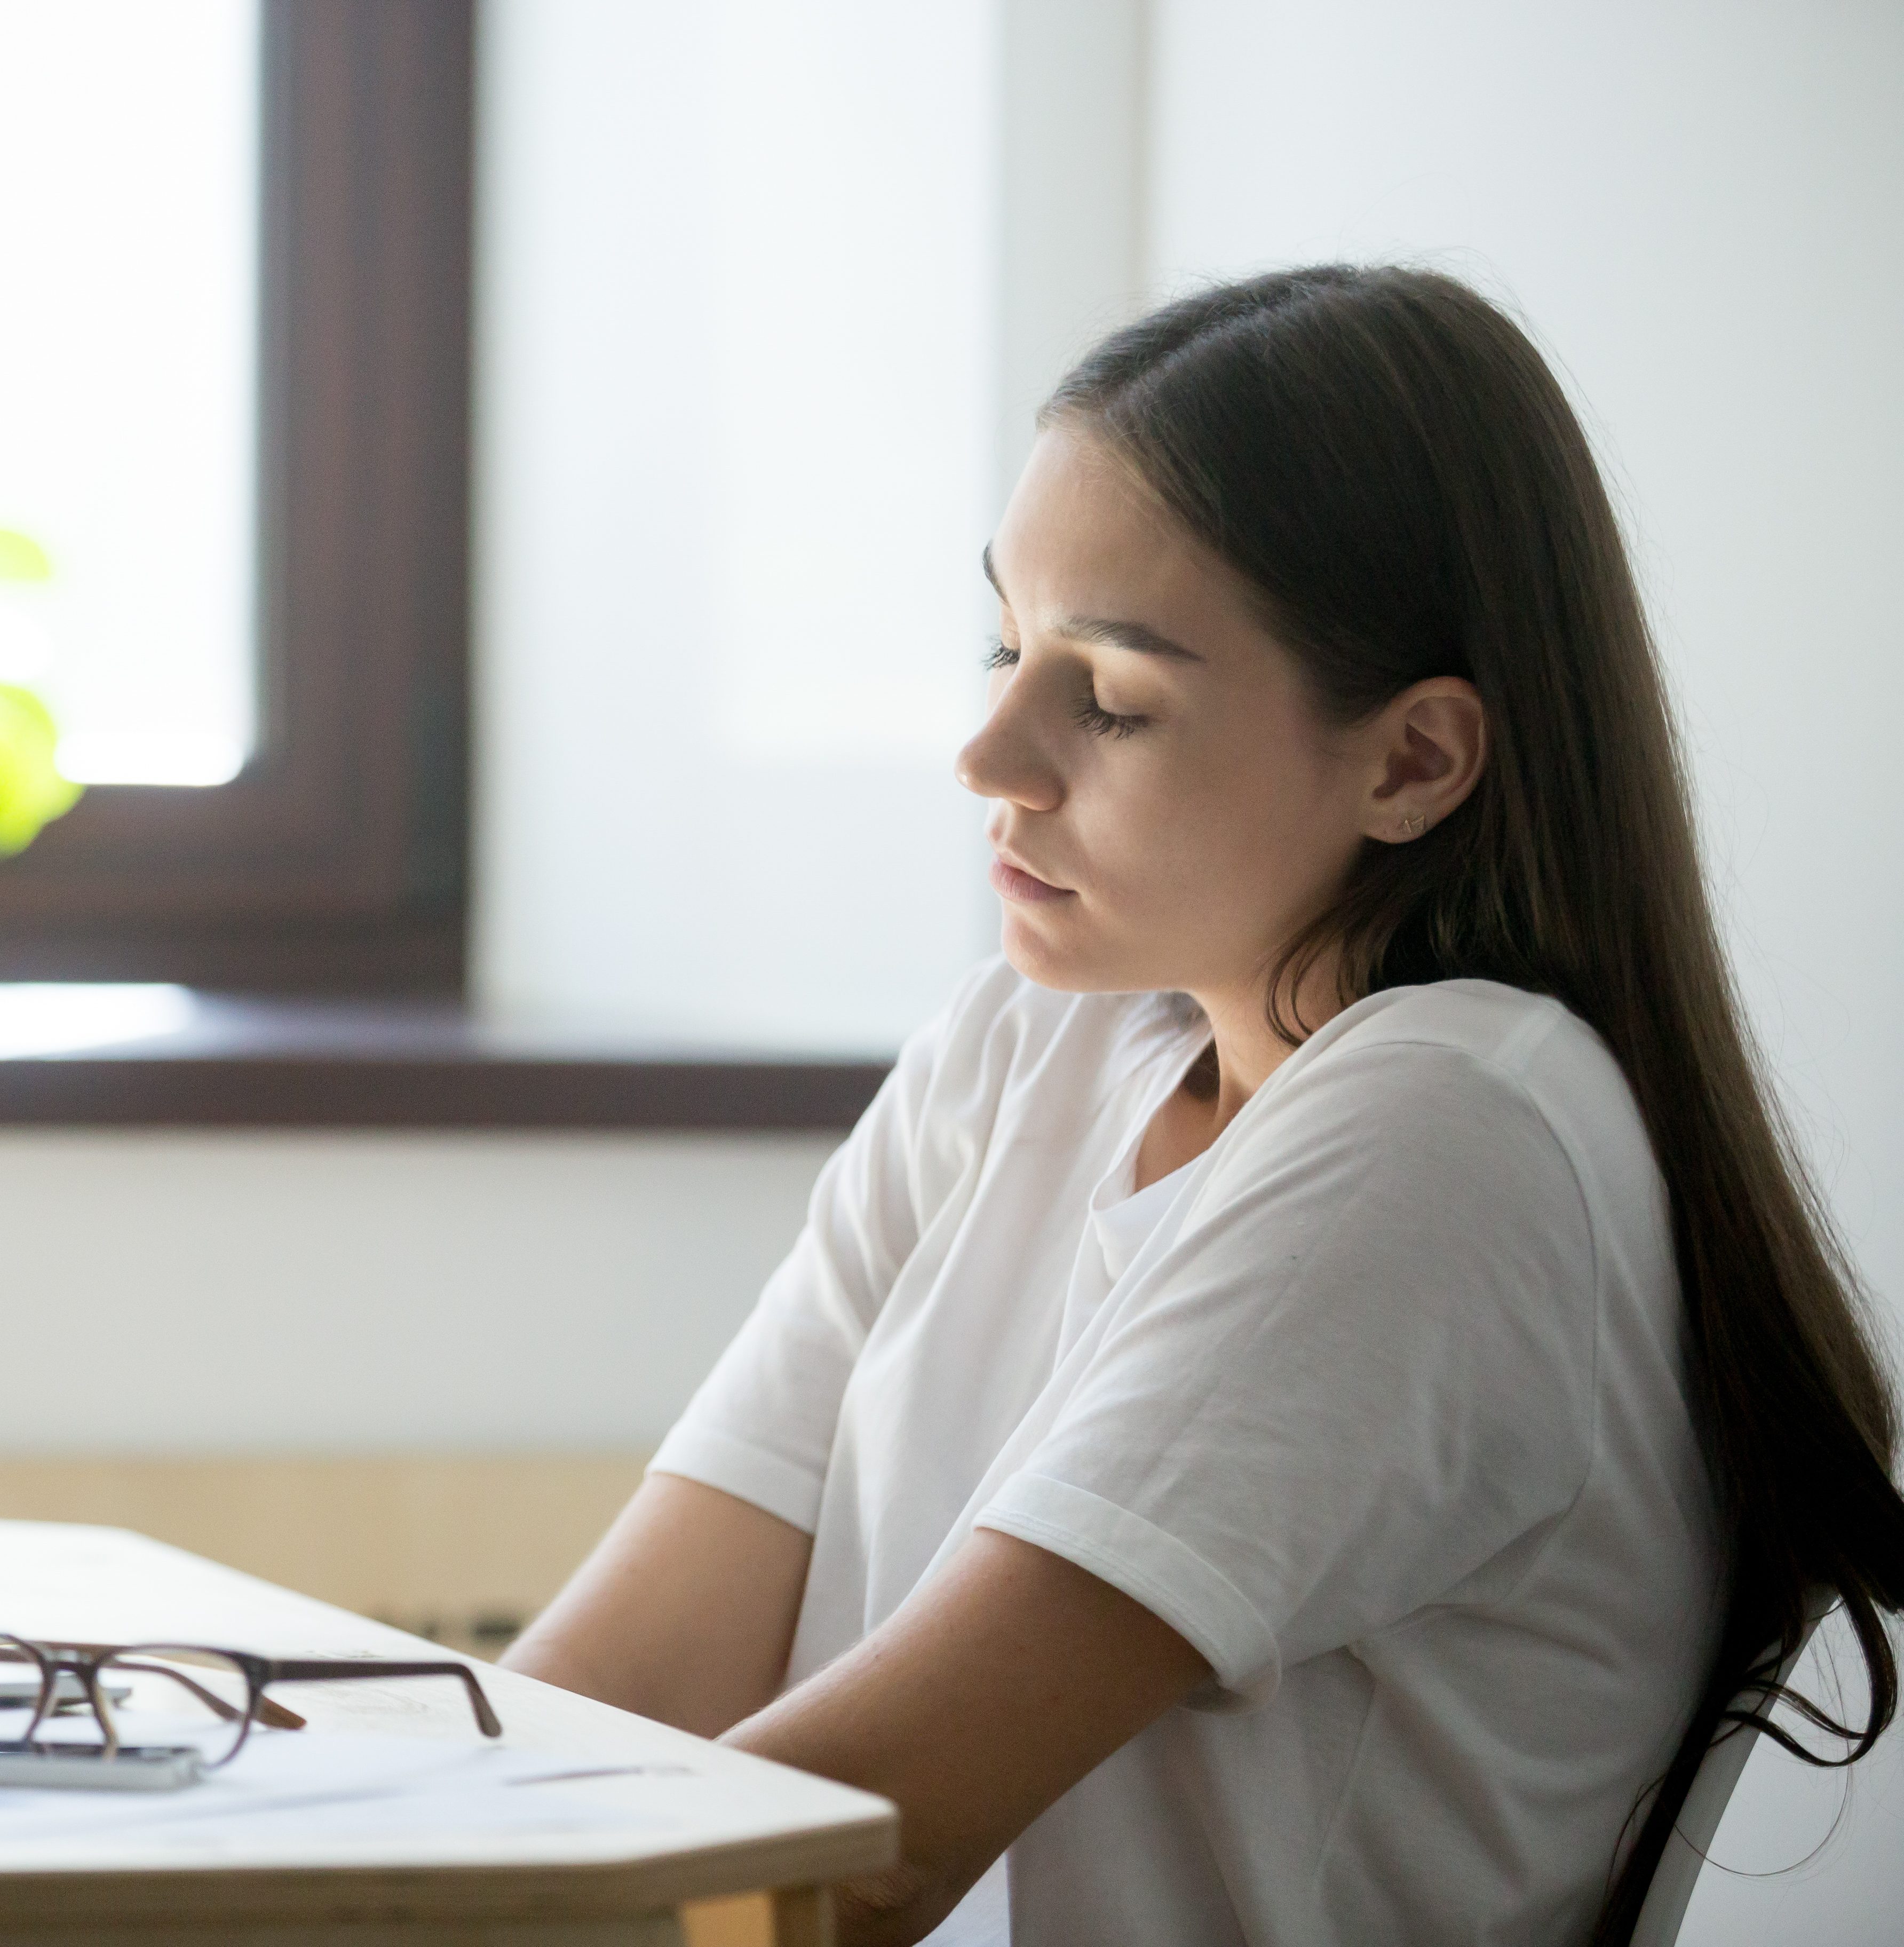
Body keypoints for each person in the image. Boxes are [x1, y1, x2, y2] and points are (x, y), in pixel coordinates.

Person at [502, 266, 1904, 1946]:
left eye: (1109, 697)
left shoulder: (1452, 1132)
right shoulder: (1032, 1043)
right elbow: (600, 1707)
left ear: (1413, 764)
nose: (989, 753)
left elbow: (853, 1853)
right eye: (1007, 645)